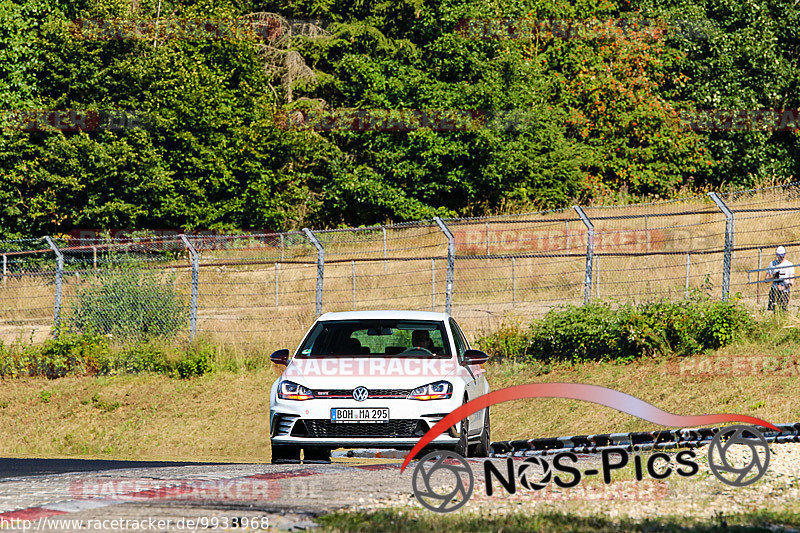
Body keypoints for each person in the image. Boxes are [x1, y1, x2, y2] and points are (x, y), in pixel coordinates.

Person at [766, 246, 795, 312]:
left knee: (783, 310)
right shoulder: (772, 264)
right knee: (772, 310)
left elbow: (791, 282)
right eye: (779, 256)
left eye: (782, 256)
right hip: (774, 290)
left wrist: (783, 287)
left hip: (784, 291)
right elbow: (766, 279)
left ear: (785, 255)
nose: (781, 258)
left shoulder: (789, 265)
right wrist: (774, 277)